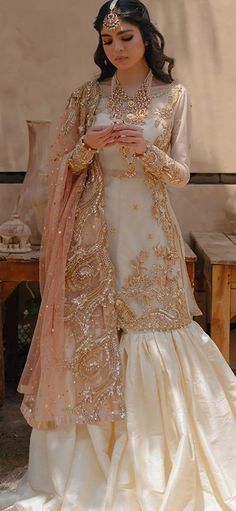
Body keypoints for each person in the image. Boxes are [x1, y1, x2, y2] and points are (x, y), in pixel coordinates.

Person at [1, 1, 236, 509]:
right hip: (92, 234)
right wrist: (86, 145)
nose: (117, 48)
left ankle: (158, 459)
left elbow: (180, 173)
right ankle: (87, 466)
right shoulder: (88, 96)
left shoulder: (173, 97)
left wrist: (145, 151)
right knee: (95, 334)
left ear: (147, 38)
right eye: (109, 40)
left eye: (126, 37)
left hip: (149, 238)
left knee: (153, 330)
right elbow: (59, 163)